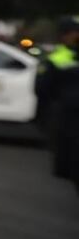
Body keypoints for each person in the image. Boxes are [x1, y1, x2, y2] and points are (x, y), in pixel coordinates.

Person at [37, 16, 79, 192]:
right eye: (73, 33)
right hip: (70, 115)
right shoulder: (55, 59)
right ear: (65, 36)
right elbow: (42, 88)